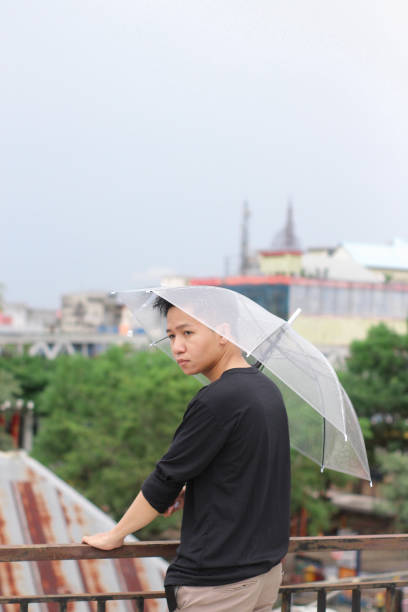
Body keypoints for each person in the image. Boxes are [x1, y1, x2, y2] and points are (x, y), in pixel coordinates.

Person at [82, 296, 291, 611]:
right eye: (171, 336)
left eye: (188, 333)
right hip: (264, 573)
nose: (177, 346)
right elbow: (243, 472)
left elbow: (165, 477)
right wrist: (192, 491)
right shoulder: (267, 391)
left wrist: (116, 534)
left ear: (222, 333)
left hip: (220, 583)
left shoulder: (218, 399)